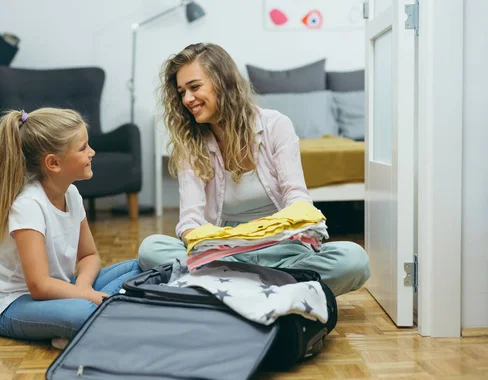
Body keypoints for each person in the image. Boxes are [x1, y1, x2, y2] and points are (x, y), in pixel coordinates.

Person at [138, 43, 370, 297]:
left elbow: (297, 197)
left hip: (284, 251)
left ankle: (230, 289)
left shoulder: (275, 125)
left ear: (223, 82)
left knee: (354, 258)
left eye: (194, 87)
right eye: (182, 92)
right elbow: (190, 219)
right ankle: (278, 290)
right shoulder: (191, 144)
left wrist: (274, 234)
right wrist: (208, 242)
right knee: (151, 248)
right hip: (224, 256)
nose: (187, 99)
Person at [0, 107, 141, 349]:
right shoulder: (28, 205)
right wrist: (88, 297)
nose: (92, 152)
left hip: (63, 289)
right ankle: (90, 318)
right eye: (83, 148)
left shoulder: (72, 193)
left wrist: (83, 288)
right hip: (13, 303)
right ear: (54, 163)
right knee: (84, 311)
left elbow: (89, 256)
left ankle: (79, 327)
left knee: (139, 267)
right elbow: (39, 286)